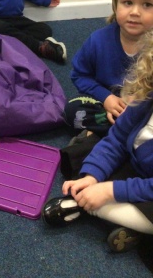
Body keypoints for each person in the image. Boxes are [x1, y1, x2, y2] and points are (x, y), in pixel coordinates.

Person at [42, 30, 153, 253]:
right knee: (85, 154)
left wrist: (110, 191)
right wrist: (92, 176)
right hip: (140, 166)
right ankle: (108, 209)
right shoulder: (145, 99)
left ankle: (91, 207)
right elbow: (117, 139)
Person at [62, 0, 153, 169]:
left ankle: (100, 140)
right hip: (107, 106)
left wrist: (139, 105)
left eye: (147, 5)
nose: (135, 12)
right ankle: (122, 141)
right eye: (128, 2)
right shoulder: (98, 40)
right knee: (72, 110)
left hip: (142, 111)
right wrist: (106, 98)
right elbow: (79, 76)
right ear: (115, 4)